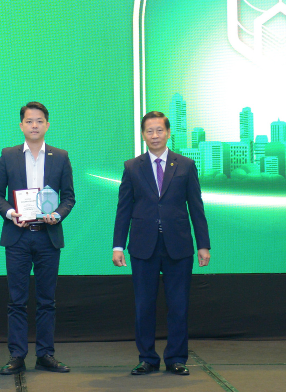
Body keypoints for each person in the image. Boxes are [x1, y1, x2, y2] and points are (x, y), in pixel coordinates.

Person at [112, 111, 210, 375]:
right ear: (143, 135)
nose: (154, 135)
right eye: (149, 131)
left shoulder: (185, 165)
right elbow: (123, 209)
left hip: (178, 245)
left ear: (167, 133)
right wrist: (118, 246)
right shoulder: (132, 167)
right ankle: (147, 358)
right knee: (144, 306)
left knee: (178, 305)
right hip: (143, 246)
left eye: (159, 130)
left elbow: (196, 207)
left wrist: (203, 244)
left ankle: (176, 358)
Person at [0, 101, 75, 375]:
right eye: (29, 121)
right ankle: (17, 355)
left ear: (47, 125)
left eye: (39, 121)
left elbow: (69, 197)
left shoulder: (60, 156)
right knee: (17, 300)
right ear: (21, 125)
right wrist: (10, 213)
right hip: (18, 237)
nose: (34, 125)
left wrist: (58, 215)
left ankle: (45, 355)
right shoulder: (8, 155)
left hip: (48, 237)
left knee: (47, 300)